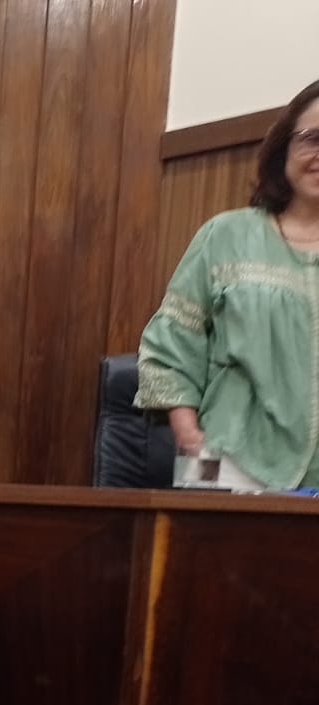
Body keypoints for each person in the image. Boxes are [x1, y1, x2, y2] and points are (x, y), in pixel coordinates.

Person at [138, 79, 319, 490]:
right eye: (313, 138)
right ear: (284, 148)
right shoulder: (225, 236)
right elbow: (169, 348)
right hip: (225, 465)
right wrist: (191, 440)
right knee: (201, 534)